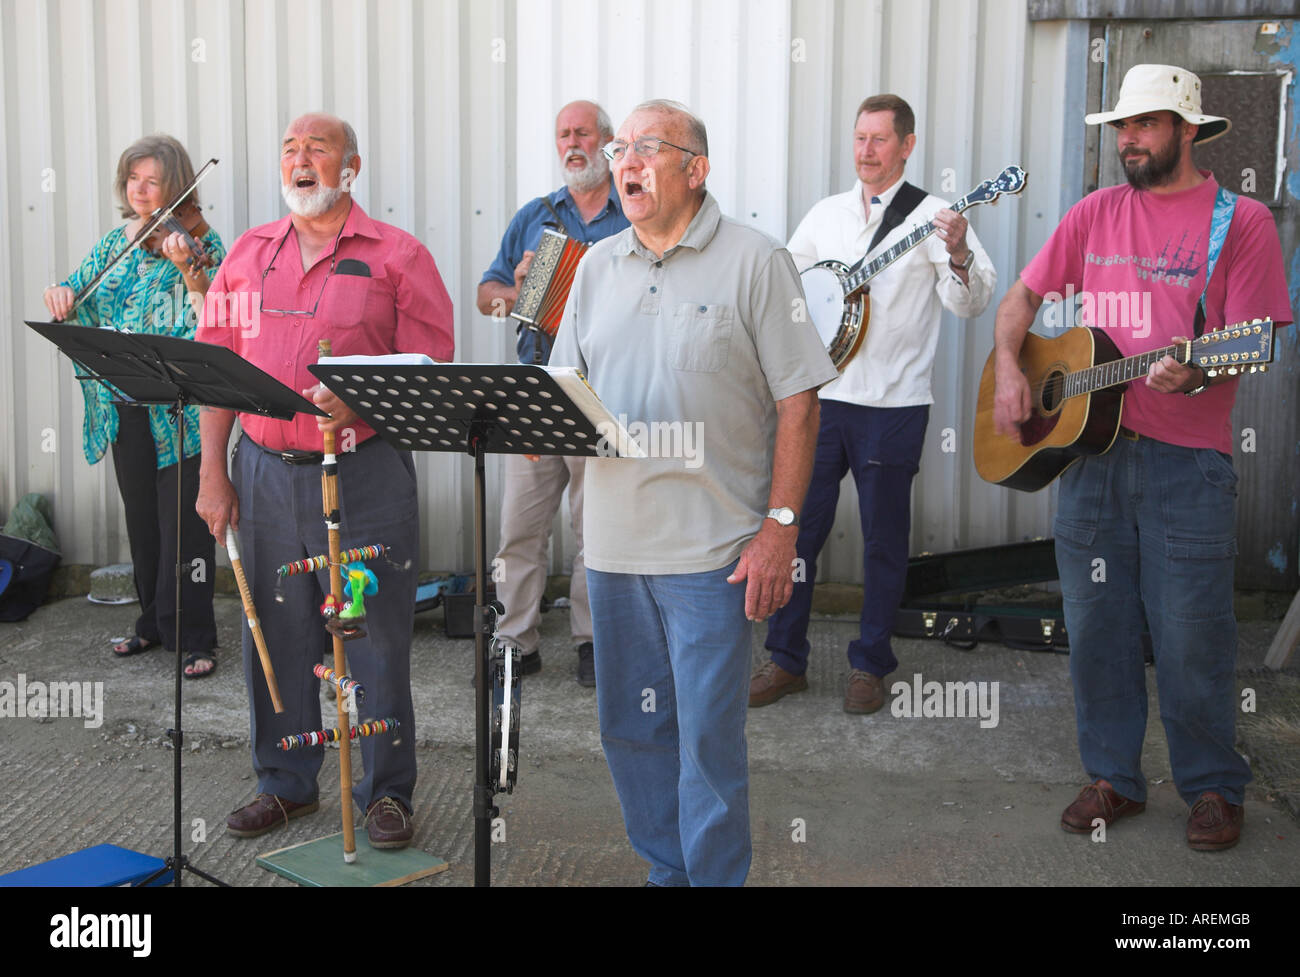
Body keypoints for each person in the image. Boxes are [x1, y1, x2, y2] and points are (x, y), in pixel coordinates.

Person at [991, 65, 1291, 850]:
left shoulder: (1243, 221)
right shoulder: (1093, 214)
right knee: (1096, 627)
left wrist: (1201, 368)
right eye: (1120, 127)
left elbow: (1257, 339)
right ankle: (1113, 777)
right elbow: (1020, 302)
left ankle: (1214, 785)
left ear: (1188, 129)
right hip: (1090, 461)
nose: (1128, 140)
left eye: (1145, 125)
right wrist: (1004, 374)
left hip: (1186, 465)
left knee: (1193, 633)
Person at [550, 99, 837, 885]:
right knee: (631, 732)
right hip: (611, 551)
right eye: (620, 149)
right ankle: (663, 871)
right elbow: (568, 388)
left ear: (695, 169)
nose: (626, 162)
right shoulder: (596, 266)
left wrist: (780, 528)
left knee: (708, 741)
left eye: (648, 147)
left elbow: (799, 402)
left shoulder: (756, 259)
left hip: (714, 556)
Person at [195, 113, 454, 849]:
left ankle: (385, 794)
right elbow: (215, 368)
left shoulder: (397, 255)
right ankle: (285, 784)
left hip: (364, 479)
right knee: (276, 635)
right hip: (265, 477)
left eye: (318, 148)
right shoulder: (248, 255)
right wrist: (214, 470)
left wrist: (364, 396)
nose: (300, 159)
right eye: (290, 149)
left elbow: (433, 362)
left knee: (369, 635)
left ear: (352, 166)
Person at [749, 94, 996, 714]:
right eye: (860, 138)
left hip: (894, 405)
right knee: (796, 533)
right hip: (821, 404)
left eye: (879, 140)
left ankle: (871, 666)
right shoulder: (826, 216)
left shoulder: (939, 216)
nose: (866, 151)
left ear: (906, 145)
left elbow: (970, 303)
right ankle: (785, 659)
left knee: (884, 543)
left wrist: (960, 253)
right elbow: (790, 292)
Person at [44, 134, 224, 678]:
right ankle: (152, 623)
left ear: (176, 185)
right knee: (143, 521)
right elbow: (76, 290)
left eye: (153, 181)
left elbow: (216, 313)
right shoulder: (114, 242)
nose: (142, 191)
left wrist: (190, 271)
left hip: (183, 412)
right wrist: (60, 293)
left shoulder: (201, 241)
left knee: (185, 528)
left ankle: (195, 637)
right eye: (133, 180)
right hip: (126, 404)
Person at [476, 100, 629, 686]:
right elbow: (485, 296)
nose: (573, 143)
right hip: (534, 386)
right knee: (520, 524)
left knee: (600, 529)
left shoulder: (633, 210)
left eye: (583, 133)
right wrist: (517, 295)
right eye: (563, 133)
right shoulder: (535, 215)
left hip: (603, 390)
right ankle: (515, 642)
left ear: (608, 142)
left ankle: (595, 643)